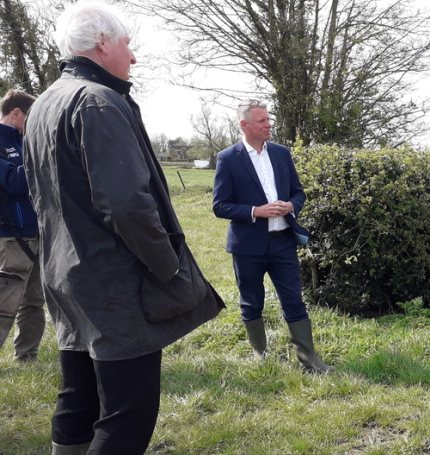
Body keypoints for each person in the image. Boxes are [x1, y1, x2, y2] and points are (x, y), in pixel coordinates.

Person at [22, 2, 224, 453]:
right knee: (126, 416)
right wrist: (167, 267)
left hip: (66, 276)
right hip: (114, 286)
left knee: (78, 401)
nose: (133, 57)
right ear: (103, 44)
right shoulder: (98, 102)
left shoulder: (45, 102)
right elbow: (126, 205)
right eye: (128, 44)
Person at [213, 100, 332, 373]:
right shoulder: (228, 158)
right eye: (262, 121)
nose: (269, 125)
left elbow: (298, 193)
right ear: (244, 125)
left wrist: (291, 205)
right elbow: (220, 206)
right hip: (248, 247)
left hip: (283, 242)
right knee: (251, 301)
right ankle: (261, 356)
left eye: (268, 120)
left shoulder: (281, 153)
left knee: (294, 300)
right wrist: (257, 211)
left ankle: (308, 361)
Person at [0, 89, 46, 363]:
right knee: (5, 303)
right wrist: (40, 152)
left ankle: (27, 356)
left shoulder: (23, 141)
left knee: (34, 302)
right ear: (16, 113)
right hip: (11, 238)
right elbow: (15, 182)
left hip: (38, 235)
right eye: (30, 116)